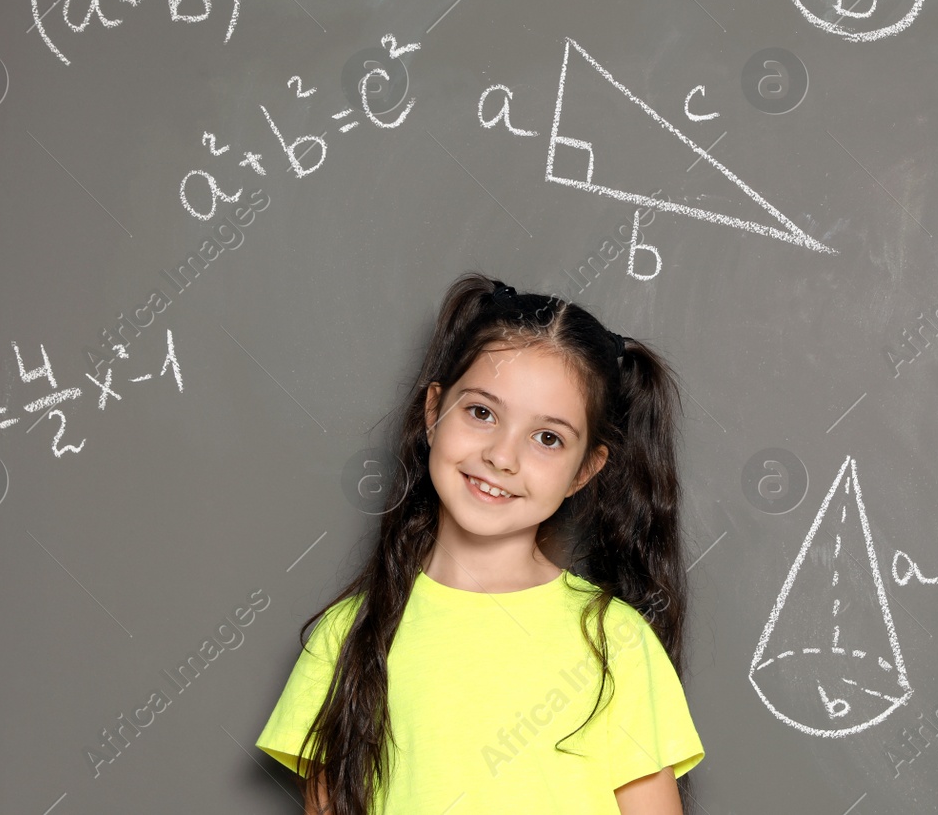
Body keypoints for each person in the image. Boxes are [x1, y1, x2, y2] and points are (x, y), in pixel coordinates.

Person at [255, 272, 704, 814]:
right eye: (482, 412)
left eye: (547, 438)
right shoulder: (346, 638)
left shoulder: (617, 643)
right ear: (433, 411)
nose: (502, 455)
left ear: (585, 470)